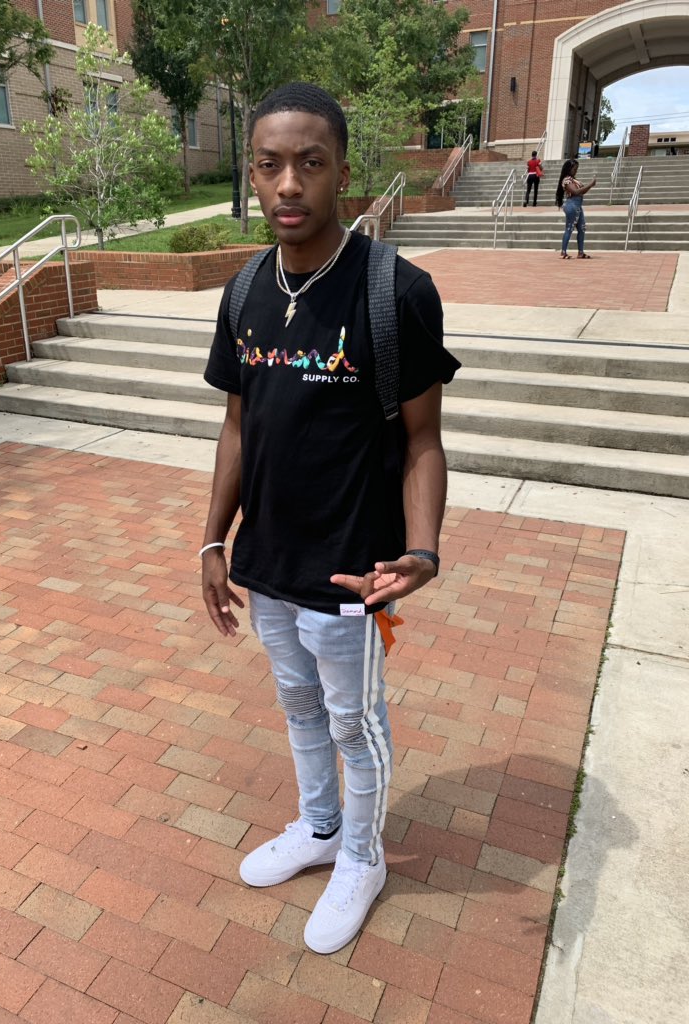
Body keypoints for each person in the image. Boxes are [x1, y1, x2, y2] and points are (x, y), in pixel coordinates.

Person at [200, 82, 460, 955]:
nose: (288, 184)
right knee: (299, 705)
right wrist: (214, 538)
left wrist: (422, 550)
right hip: (269, 560)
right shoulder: (244, 290)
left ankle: (362, 856)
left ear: (343, 172)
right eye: (269, 165)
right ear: (252, 173)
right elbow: (238, 424)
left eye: (310, 163)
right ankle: (318, 827)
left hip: (353, 566)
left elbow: (423, 439)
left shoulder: (395, 291)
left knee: (355, 722)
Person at [556, 158, 596, 258]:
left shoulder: (574, 180)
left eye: (576, 169)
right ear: (569, 169)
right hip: (572, 205)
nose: (576, 171)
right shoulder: (566, 180)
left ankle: (580, 252)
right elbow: (575, 192)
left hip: (578, 206)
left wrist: (590, 186)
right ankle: (563, 252)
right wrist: (590, 184)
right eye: (574, 169)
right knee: (569, 228)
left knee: (582, 228)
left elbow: (582, 191)